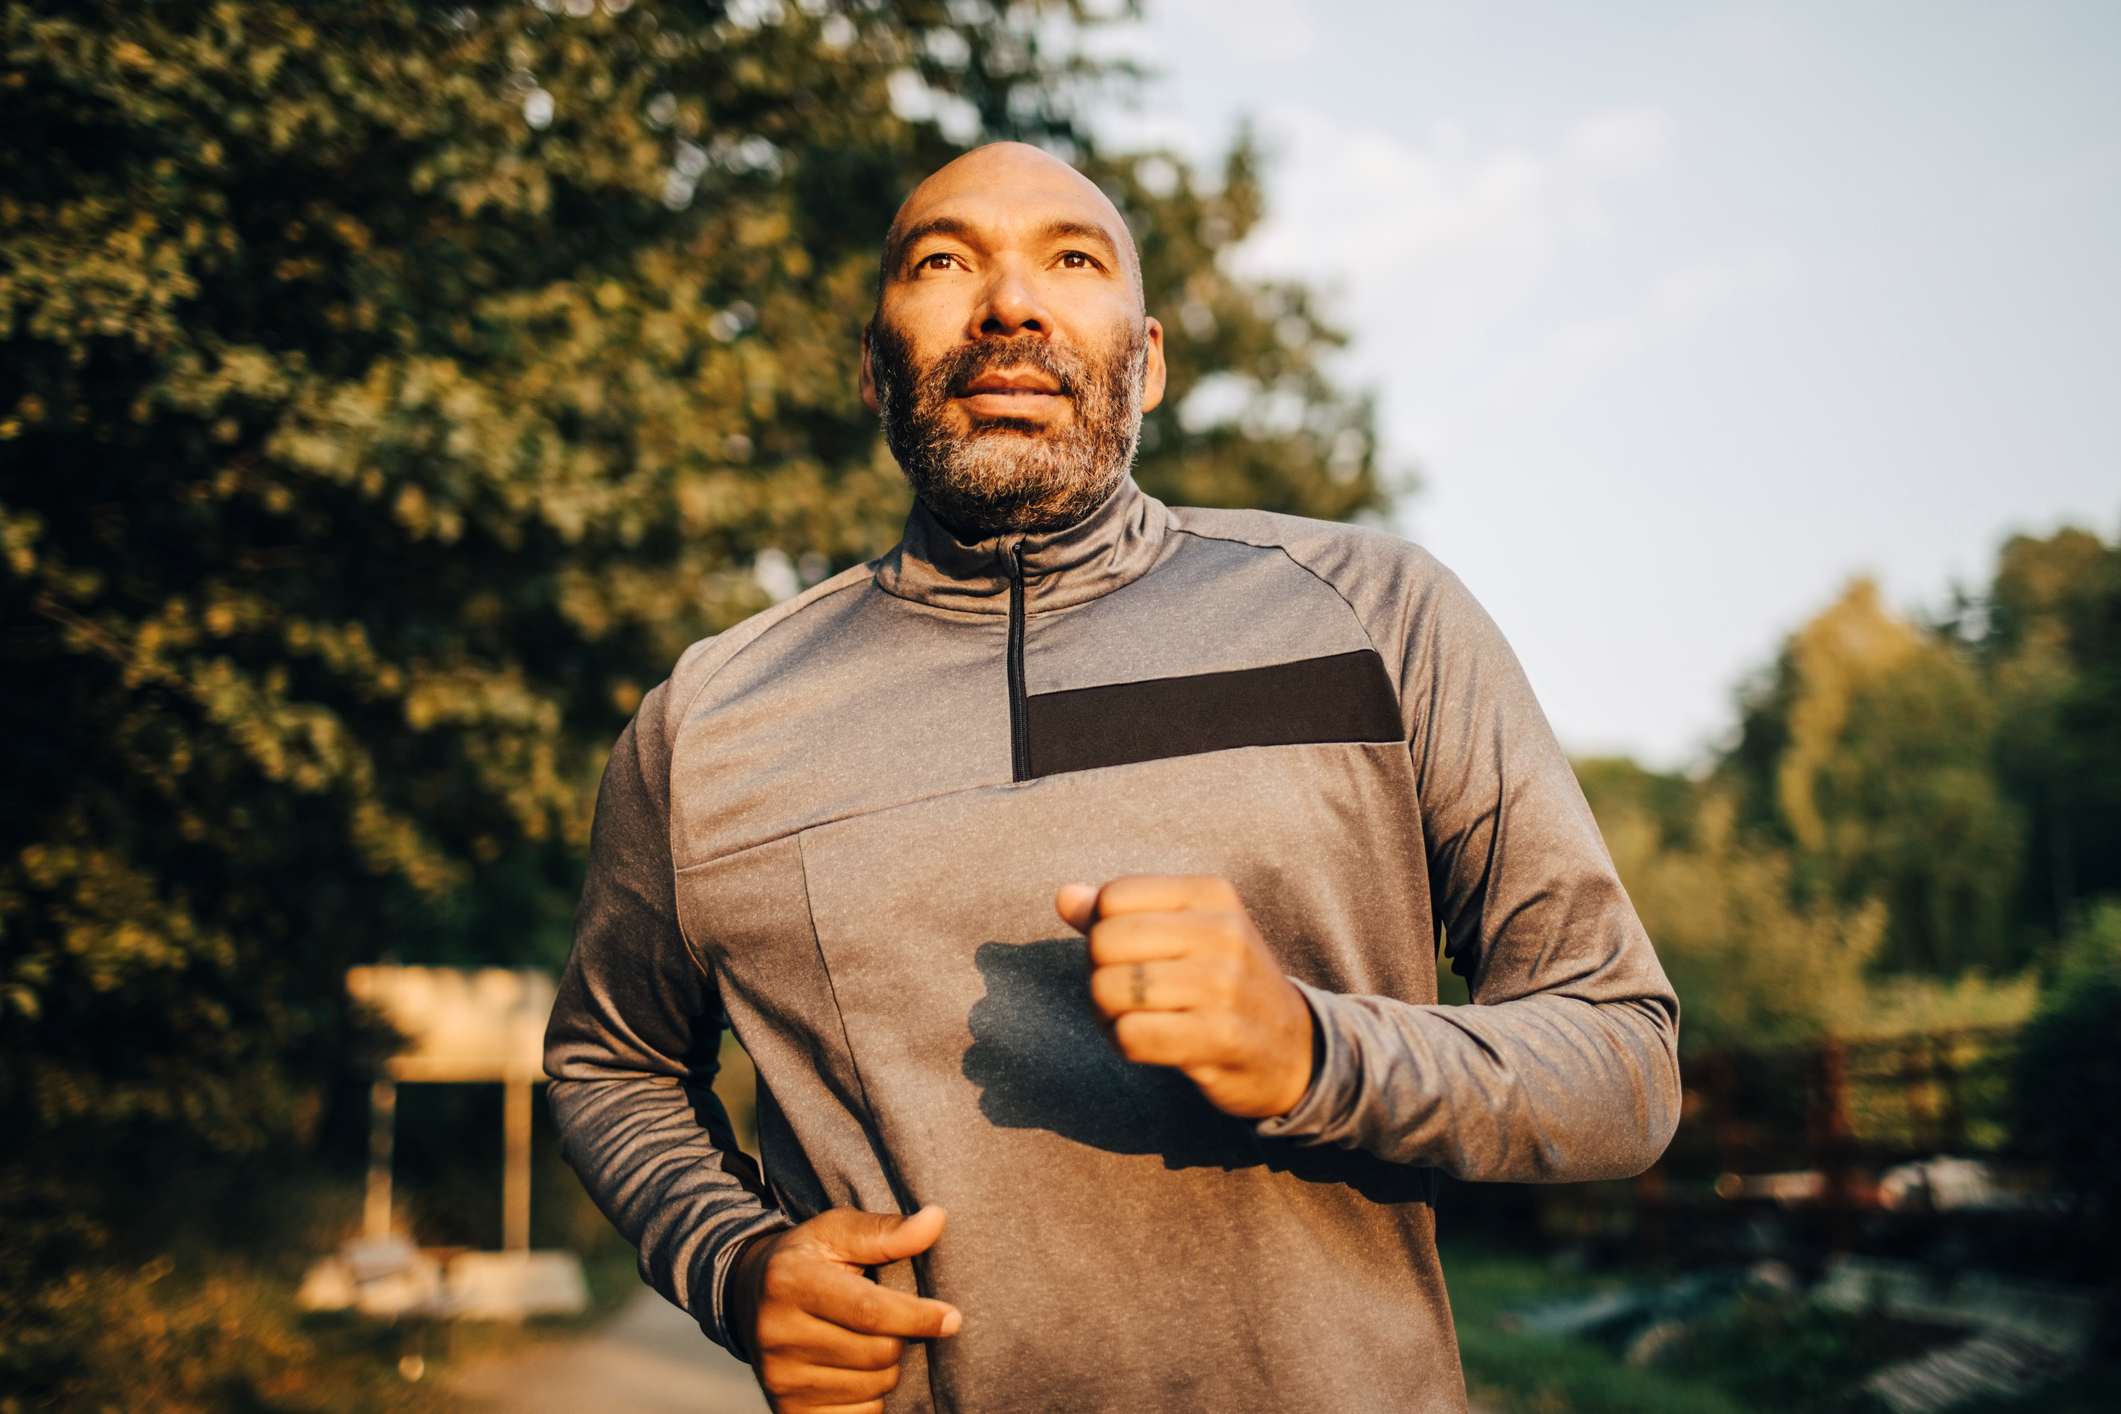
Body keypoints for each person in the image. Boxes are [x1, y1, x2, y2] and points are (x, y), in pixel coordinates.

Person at [544, 140, 1682, 1413]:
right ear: (873, 369)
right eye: (943, 260)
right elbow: (611, 1063)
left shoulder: (1379, 613)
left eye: (1070, 258)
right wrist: (734, 1259)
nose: (1010, 302)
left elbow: (1621, 1064)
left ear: (1146, 363)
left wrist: (1313, 1050)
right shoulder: (709, 721)